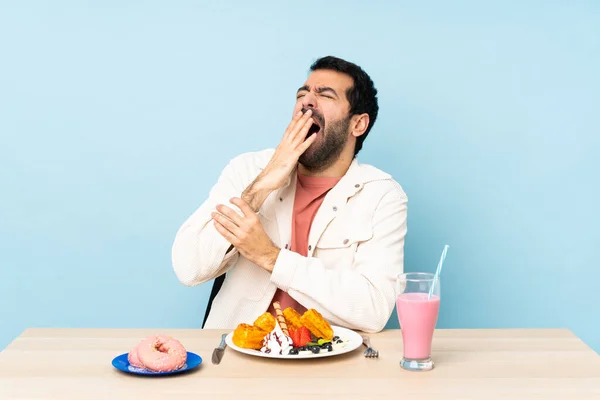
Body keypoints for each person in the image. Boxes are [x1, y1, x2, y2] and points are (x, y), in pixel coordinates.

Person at [171, 56, 407, 333]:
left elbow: (373, 311)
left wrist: (271, 257)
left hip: (329, 363)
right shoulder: (248, 170)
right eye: (302, 94)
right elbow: (189, 268)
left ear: (358, 124)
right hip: (237, 357)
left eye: (325, 95)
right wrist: (259, 188)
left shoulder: (381, 195)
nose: (307, 101)